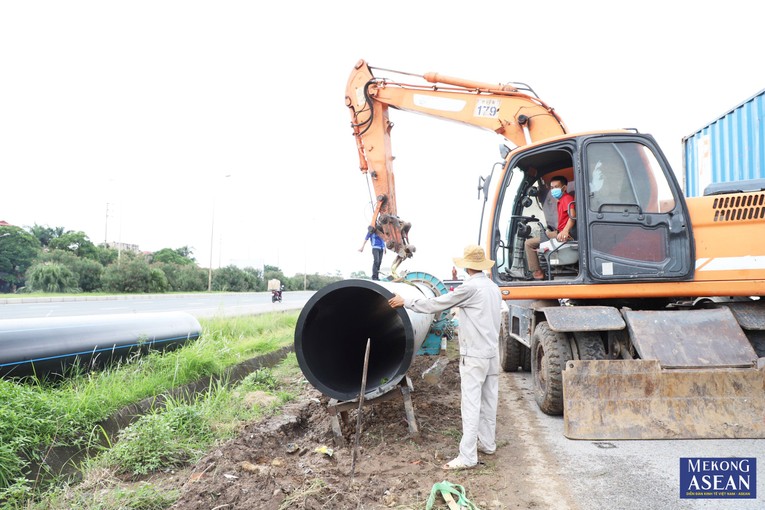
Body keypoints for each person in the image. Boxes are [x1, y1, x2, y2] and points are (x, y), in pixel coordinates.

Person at [388, 244, 502, 470]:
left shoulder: (469, 288)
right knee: (489, 401)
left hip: (474, 356)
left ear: (467, 267)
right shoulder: (492, 287)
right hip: (491, 354)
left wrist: (406, 301)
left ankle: (468, 456)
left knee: (470, 404)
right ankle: (488, 444)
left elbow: (435, 304)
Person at [524, 175, 576, 280]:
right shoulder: (561, 200)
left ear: (564, 188)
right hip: (558, 231)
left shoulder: (566, 199)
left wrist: (565, 231)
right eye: (552, 188)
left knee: (528, 243)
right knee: (542, 235)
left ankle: (537, 273)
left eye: (556, 187)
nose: (553, 190)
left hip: (562, 233)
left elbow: (573, 216)